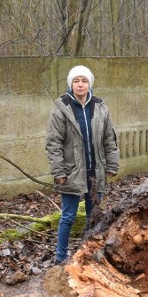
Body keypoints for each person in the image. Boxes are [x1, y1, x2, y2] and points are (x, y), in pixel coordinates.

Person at [46, 65, 120, 263]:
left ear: (90, 84)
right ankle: (60, 257)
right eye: (76, 81)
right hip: (71, 172)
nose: (80, 84)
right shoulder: (62, 108)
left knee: (93, 215)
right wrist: (58, 171)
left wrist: (112, 165)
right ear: (71, 84)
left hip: (95, 171)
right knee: (68, 216)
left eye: (84, 81)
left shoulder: (100, 106)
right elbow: (53, 143)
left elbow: (109, 139)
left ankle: (87, 253)